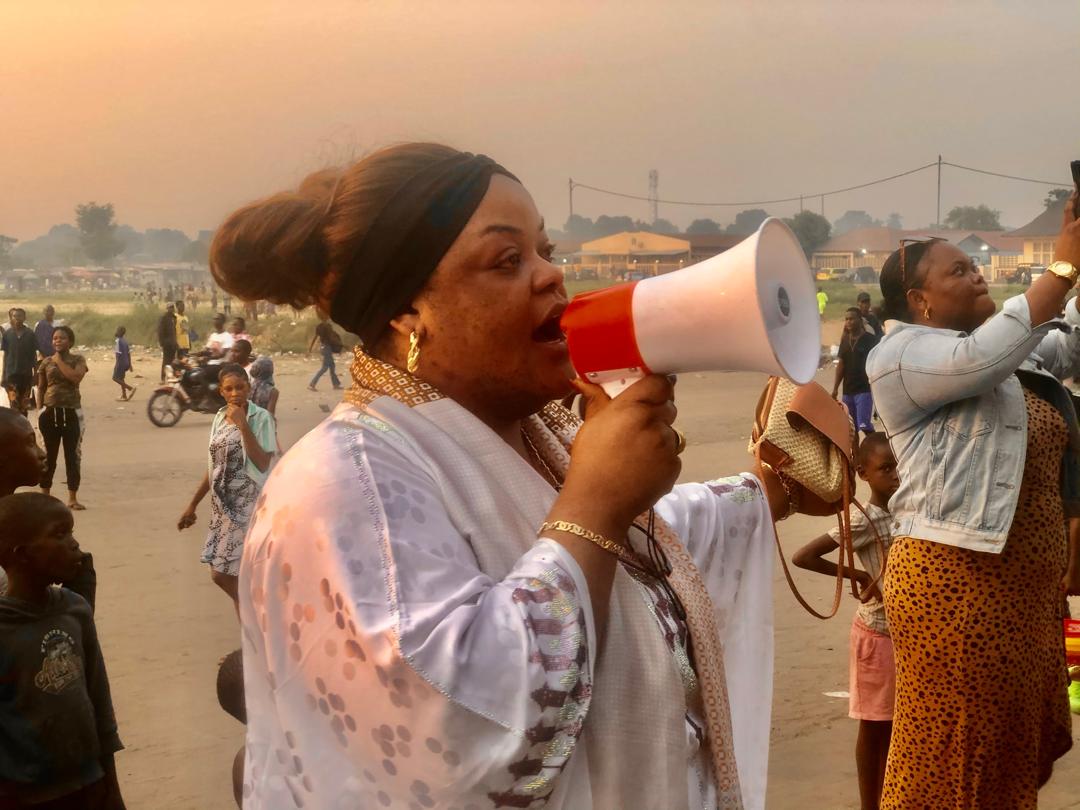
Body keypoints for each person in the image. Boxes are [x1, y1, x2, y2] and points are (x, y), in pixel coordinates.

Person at [210, 143, 790, 809]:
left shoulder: (535, 433)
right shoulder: (343, 481)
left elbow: (638, 544)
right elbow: (458, 735)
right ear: (407, 313)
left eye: (545, 252)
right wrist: (595, 506)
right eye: (507, 261)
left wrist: (770, 490)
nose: (551, 278)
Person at [867, 198, 1080, 809]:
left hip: (1023, 590)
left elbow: (1065, 344)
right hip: (957, 583)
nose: (977, 275)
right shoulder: (902, 356)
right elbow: (979, 358)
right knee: (954, 751)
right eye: (957, 271)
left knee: (1008, 749)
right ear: (919, 300)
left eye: (975, 266)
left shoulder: (1013, 355)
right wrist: (1060, 271)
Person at [793, 434, 898, 810]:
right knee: (875, 727)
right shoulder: (861, 519)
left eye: (898, 466)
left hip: (906, 635)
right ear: (863, 473)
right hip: (878, 636)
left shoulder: (906, 508)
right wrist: (855, 575)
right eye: (885, 469)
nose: (895, 476)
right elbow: (803, 556)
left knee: (899, 724)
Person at [0, 493, 124, 809]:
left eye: (71, 531)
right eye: (59, 534)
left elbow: (99, 700)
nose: (73, 543)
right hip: (26, 795)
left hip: (89, 783)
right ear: (22, 555)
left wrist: (112, 788)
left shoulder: (75, 609)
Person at [177, 363, 276, 608]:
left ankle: (255, 623)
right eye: (229, 389)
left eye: (240, 387)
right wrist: (192, 505)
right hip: (222, 507)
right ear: (221, 391)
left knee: (222, 575)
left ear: (249, 386)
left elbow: (263, 463)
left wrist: (243, 425)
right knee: (232, 574)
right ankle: (252, 632)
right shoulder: (220, 418)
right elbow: (214, 467)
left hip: (247, 506)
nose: (235, 393)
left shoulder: (261, 418)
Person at [37, 325, 89, 511]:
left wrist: (58, 361)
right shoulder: (45, 362)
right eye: (55, 338)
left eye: (62, 338)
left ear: (71, 341)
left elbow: (75, 378)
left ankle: (72, 498)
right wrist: (39, 409)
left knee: (72, 455)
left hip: (72, 412)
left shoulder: (78, 360)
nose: (58, 341)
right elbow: (41, 387)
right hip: (50, 413)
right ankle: (45, 497)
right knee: (48, 457)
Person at [831, 306, 878, 438]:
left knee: (864, 425)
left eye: (852, 319)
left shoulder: (870, 340)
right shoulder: (845, 341)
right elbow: (841, 365)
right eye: (846, 319)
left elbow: (877, 363)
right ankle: (856, 457)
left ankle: (875, 447)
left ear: (859, 320)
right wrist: (835, 388)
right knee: (851, 429)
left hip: (864, 390)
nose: (848, 322)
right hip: (847, 392)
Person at [2, 308, 39, 415]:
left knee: (24, 406)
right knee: (13, 405)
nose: (17, 318)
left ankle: (23, 429)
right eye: (15, 316)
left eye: (20, 316)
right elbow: (6, 356)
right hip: (11, 375)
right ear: (11, 318)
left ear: (24, 318)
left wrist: (35, 374)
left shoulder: (30, 334)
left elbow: (34, 356)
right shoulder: (7, 334)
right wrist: (3, 375)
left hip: (26, 375)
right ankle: (14, 430)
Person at [307, 316, 342, 391]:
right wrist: (341, 346)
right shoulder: (328, 327)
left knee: (332, 366)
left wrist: (310, 348)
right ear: (327, 318)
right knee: (324, 368)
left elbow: (315, 338)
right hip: (327, 348)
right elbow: (332, 338)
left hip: (323, 347)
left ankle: (336, 384)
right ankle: (312, 384)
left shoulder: (319, 326)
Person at [112, 326, 135, 401]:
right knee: (121, 378)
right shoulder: (125, 341)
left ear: (119, 332)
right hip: (126, 363)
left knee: (115, 378)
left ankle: (130, 388)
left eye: (117, 330)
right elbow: (128, 354)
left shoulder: (118, 341)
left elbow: (118, 354)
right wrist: (130, 365)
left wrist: (117, 365)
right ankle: (124, 395)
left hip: (121, 363)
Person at [157, 302, 178, 382]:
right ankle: (163, 378)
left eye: (172, 307)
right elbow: (160, 331)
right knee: (166, 361)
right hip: (166, 343)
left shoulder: (174, 318)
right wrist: (162, 342)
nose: (171, 309)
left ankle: (170, 377)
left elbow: (174, 331)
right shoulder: (164, 318)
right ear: (167, 308)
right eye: (170, 307)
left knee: (172, 361)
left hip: (173, 343)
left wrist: (175, 342)